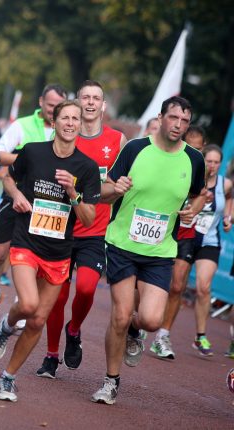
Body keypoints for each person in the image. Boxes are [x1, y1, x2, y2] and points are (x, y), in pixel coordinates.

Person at [91, 96, 206, 405]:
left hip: (160, 250)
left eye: (184, 121)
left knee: (152, 320)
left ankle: (135, 328)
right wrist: (115, 189)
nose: (178, 125)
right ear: (161, 117)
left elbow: (200, 195)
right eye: (173, 118)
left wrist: (193, 210)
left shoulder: (194, 159)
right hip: (122, 244)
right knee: (120, 315)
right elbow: (103, 192)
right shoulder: (135, 149)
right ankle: (110, 381)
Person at [0, 100, 100, 402]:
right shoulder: (34, 151)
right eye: (65, 117)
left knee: (37, 321)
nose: (71, 123)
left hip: (59, 251)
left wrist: (73, 192)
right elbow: (7, 177)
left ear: (81, 125)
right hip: (26, 241)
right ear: (55, 121)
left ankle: (7, 378)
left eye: (76, 119)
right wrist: (16, 195)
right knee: (28, 304)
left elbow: (88, 218)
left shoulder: (87, 167)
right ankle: (6, 326)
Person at [37, 81, 126, 378]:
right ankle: (51, 355)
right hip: (60, 227)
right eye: (85, 97)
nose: (90, 103)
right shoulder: (64, 135)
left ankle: (73, 330)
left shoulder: (117, 140)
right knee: (57, 296)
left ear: (103, 105)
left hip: (95, 230)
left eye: (95, 98)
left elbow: (119, 186)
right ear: (77, 102)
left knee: (86, 288)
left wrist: (96, 192)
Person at [0, 84, 68, 327]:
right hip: (14, 194)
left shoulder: (67, 130)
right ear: (41, 102)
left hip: (47, 204)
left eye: (58, 106)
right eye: (50, 105)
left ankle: (21, 302)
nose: (53, 110)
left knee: (33, 257)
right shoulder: (22, 125)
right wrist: (30, 159)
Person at [157, 145, 232, 357]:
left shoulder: (225, 184)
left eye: (216, 162)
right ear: (202, 161)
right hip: (187, 237)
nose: (212, 166)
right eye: (209, 161)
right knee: (176, 286)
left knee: (203, 287)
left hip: (209, 240)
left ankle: (200, 335)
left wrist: (228, 218)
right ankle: (158, 328)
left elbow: (229, 201)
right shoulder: (190, 178)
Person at [149, 125, 206, 359]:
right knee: (144, 283)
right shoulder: (170, 159)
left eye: (198, 148)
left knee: (177, 286)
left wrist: (192, 211)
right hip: (159, 229)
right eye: (190, 146)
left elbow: (201, 195)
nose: (194, 151)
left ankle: (162, 335)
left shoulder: (199, 166)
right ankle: (138, 323)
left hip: (184, 234)